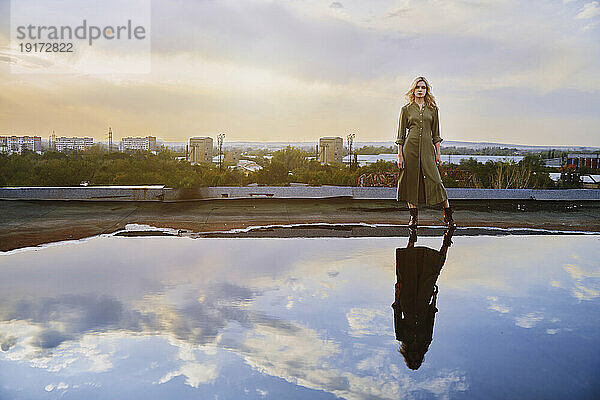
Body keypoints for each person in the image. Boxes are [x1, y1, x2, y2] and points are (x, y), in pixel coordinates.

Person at [396, 76, 456, 238]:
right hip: (410, 149)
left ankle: (448, 216)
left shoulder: (433, 110)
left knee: (436, 180)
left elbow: (436, 134)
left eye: (423, 87)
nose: (420, 90)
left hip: (429, 150)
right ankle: (414, 217)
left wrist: (438, 153)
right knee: (410, 181)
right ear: (413, 90)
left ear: (426, 90)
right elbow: (401, 134)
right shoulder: (406, 110)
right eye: (418, 87)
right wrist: (400, 155)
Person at [392, 226, 454, 370]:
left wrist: (396, 293)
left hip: (406, 301)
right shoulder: (426, 339)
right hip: (423, 301)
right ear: (420, 357)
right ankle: (446, 241)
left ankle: (412, 239)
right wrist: (434, 297)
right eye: (416, 361)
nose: (414, 359)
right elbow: (431, 316)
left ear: (407, 357)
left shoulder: (401, 336)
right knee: (432, 273)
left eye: (411, 361)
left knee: (406, 271)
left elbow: (396, 312)